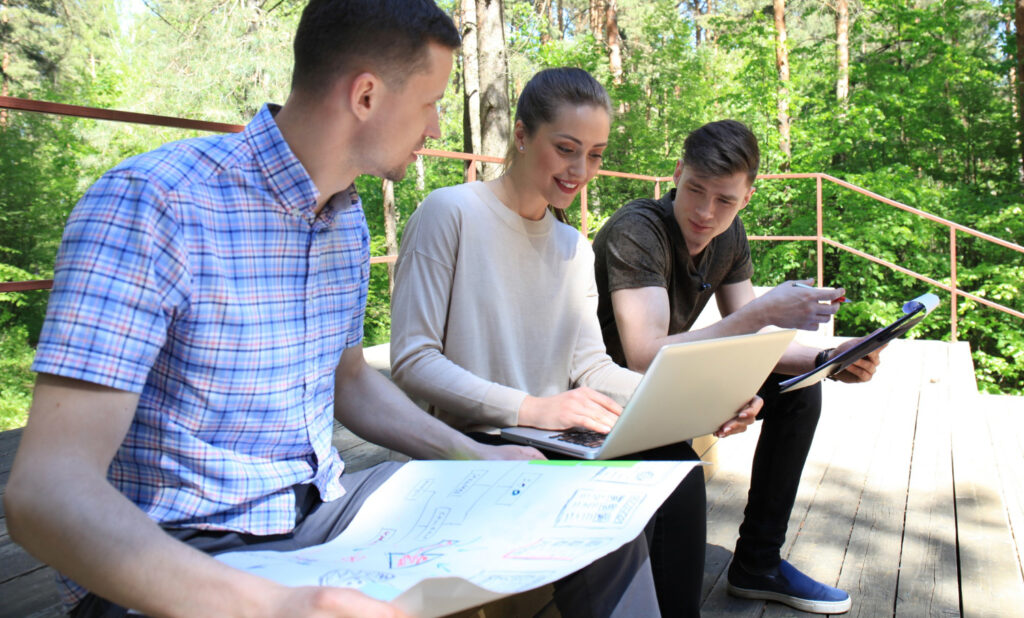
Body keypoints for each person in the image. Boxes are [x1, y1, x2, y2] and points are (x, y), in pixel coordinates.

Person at [2, 3, 567, 617]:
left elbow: (350, 382)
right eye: (431, 102)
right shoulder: (154, 203)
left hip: (317, 515)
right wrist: (277, 606)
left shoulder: (345, 218)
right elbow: (45, 496)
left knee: (555, 518)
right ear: (367, 96)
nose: (435, 130)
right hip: (178, 547)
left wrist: (479, 456)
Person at [389, 67, 761, 617]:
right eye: (566, 148)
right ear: (521, 135)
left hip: (554, 436)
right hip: (476, 439)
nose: (580, 170)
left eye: (595, 154)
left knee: (676, 468)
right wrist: (533, 408)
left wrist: (707, 404)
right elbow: (413, 362)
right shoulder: (450, 213)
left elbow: (593, 367)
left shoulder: (573, 246)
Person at [592, 119, 885, 615]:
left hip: (672, 386)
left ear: (748, 196)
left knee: (799, 390)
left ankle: (758, 563)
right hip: (613, 396)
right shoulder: (638, 229)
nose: (706, 213)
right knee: (681, 471)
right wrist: (763, 314)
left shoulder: (729, 236)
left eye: (725, 200)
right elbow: (643, 355)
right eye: (695, 191)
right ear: (678, 174)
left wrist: (826, 358)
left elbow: (751, 337)